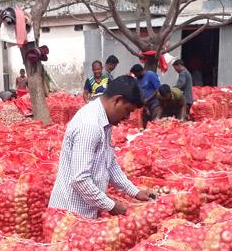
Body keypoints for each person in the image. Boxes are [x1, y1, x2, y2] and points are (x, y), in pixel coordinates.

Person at [48, 75, 155, 218]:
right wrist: (110, 205)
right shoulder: (90, 125)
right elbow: (80, 179)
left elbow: (109, 164)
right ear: (117, 100)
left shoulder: (104, 122)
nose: (128, 117)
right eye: (128, 110)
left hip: (83, 213)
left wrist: (134, 192)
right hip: (70, 215)